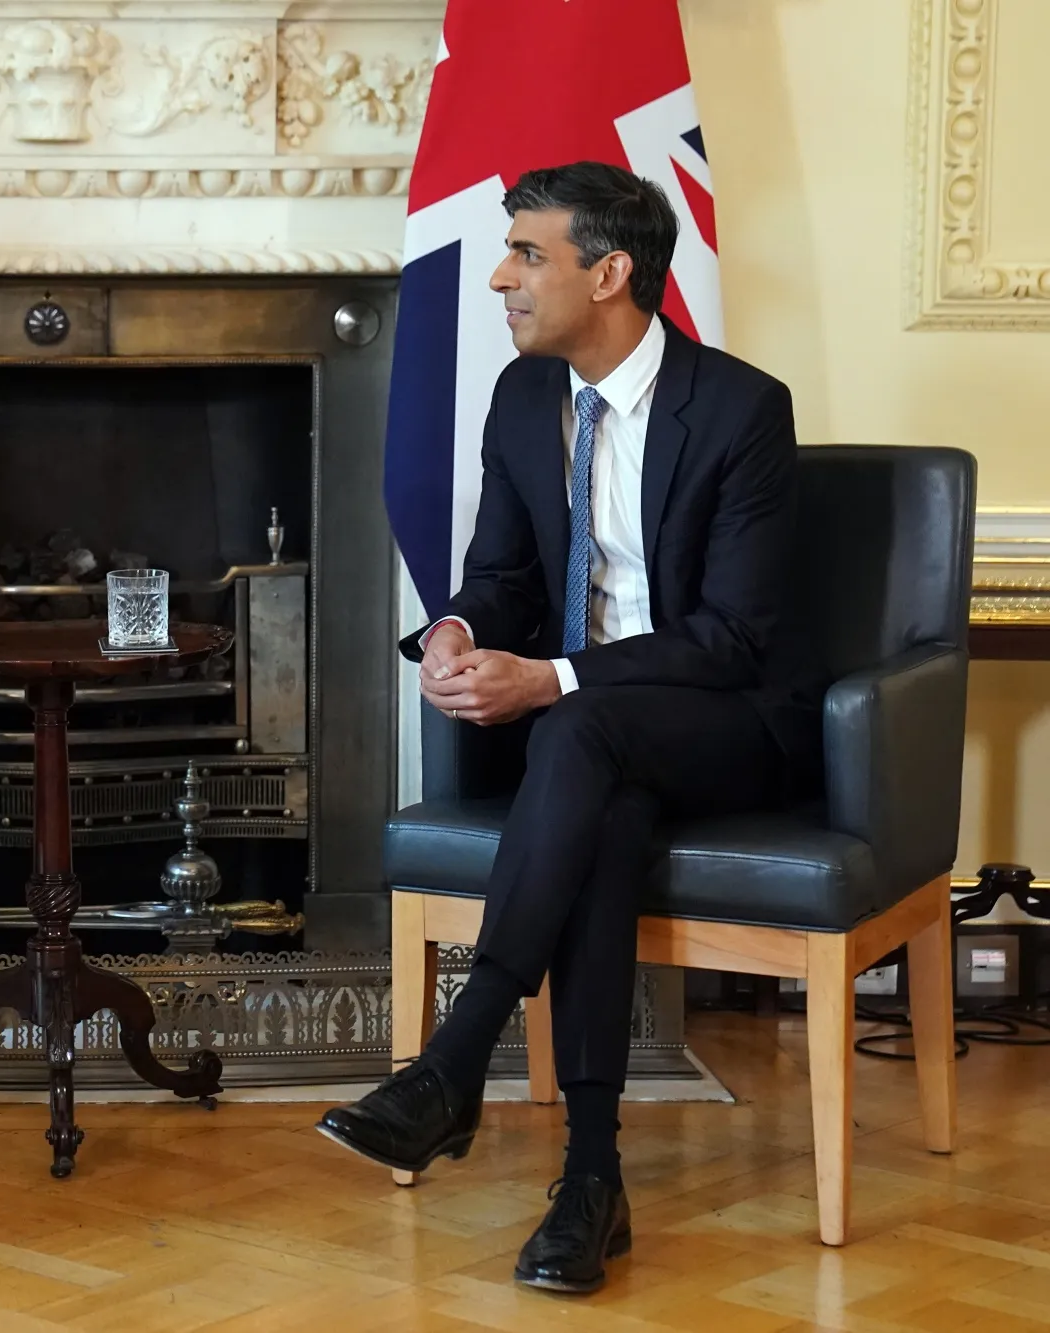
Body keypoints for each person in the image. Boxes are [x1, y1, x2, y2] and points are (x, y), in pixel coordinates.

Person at [318, 162, 820, 1294]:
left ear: (608, 273)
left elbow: (733, 637)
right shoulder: (518, 396)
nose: (497, 275)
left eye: (525, 254)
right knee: (596, 784)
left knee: (577, 734)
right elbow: (495, 574)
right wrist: (452, 628)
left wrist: (548, 677)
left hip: (731, 721)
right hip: (599, 741)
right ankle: (588, 1182)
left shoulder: (740, 408)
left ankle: (459, 1049)